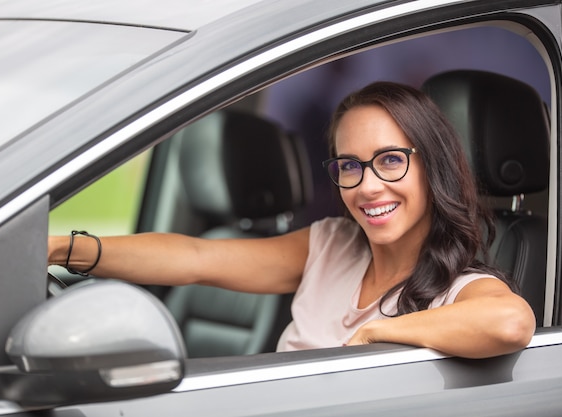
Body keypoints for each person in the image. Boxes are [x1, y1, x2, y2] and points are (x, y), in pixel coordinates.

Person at [48, 81, 536, 359]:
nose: (367, 187)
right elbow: (194, 256)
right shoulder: (331, 244)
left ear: (432, 166)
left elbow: (513, 321)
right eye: (350, 166)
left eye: (390, 160)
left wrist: (371, 335)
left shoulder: (459, 288)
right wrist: (60, 249)